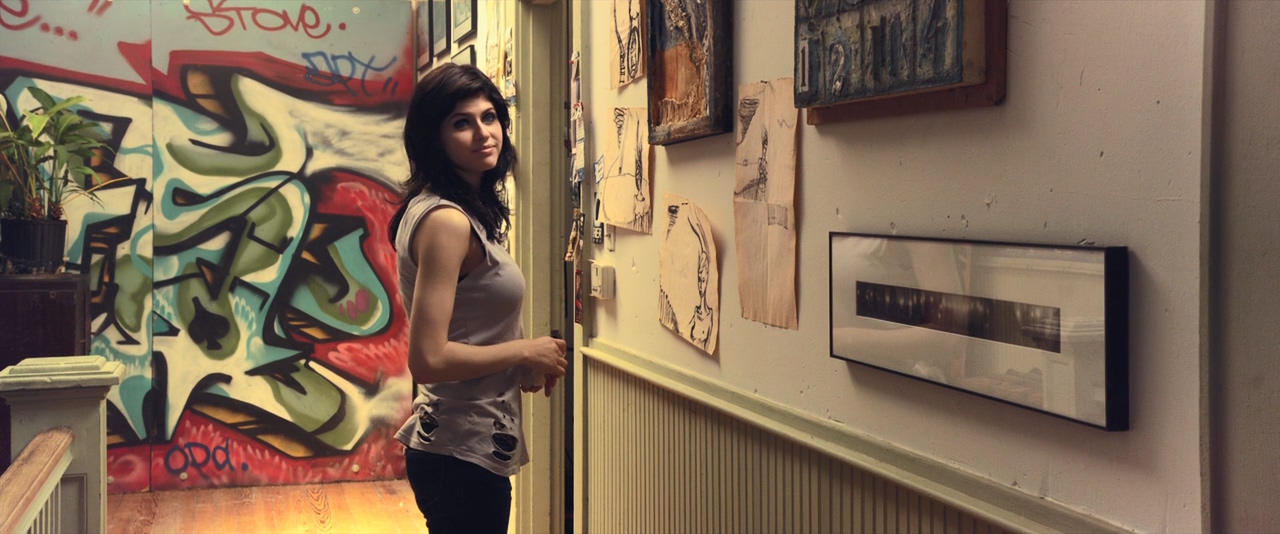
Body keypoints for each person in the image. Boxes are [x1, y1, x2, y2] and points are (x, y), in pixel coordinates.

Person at [387, 63, 568, 533]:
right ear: (434, 137)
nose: (484, 133)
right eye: (461, 123)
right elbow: (428, 359)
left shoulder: (454, 210)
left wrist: (520, 365)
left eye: (489, 117)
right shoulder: (446, 221)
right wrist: (524, 350)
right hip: (459, 452)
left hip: (467, 445)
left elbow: (466, 328)